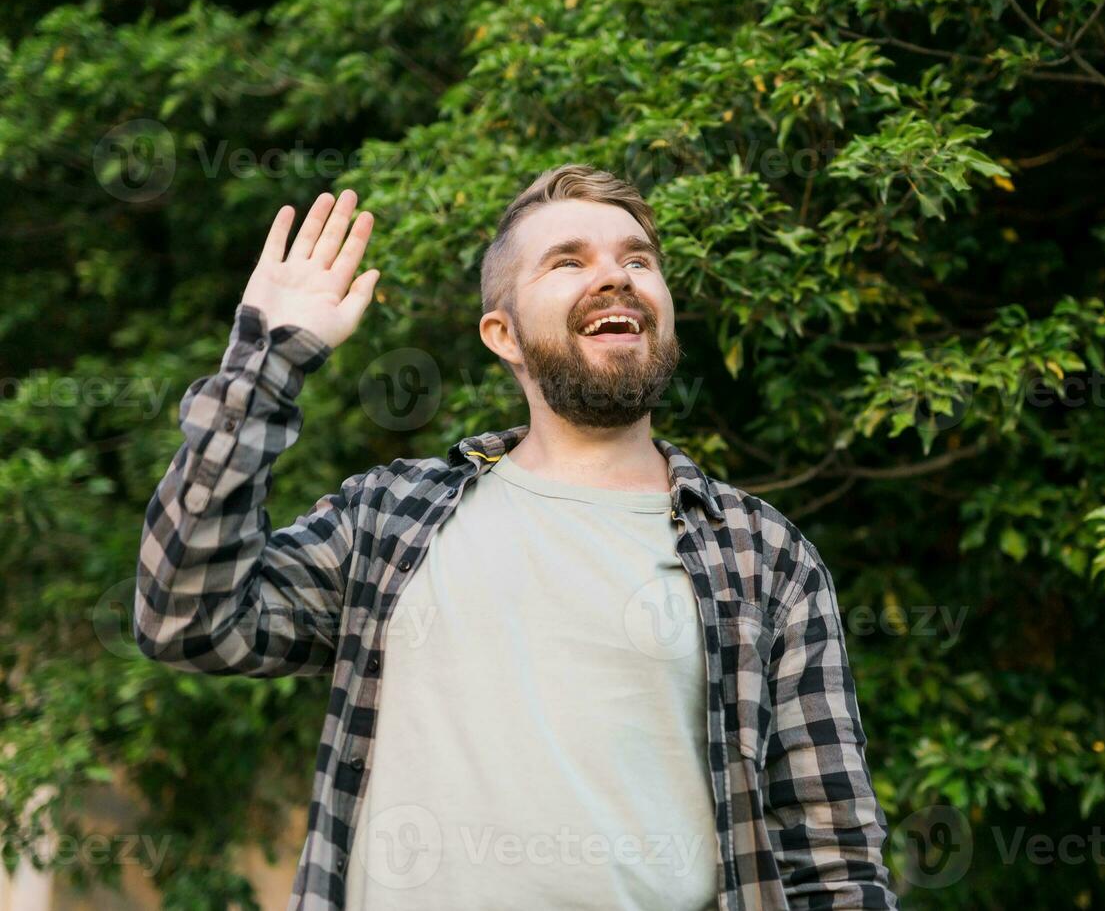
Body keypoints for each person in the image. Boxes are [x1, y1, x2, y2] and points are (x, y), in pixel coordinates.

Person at [135, 164, 899, 910]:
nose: (617, 276)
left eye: (638, 260)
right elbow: (187, 619)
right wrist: (267, 364)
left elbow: (833, 858)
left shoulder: (761, 555)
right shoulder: (391, 518)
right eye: (569, 261)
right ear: (502, 334)